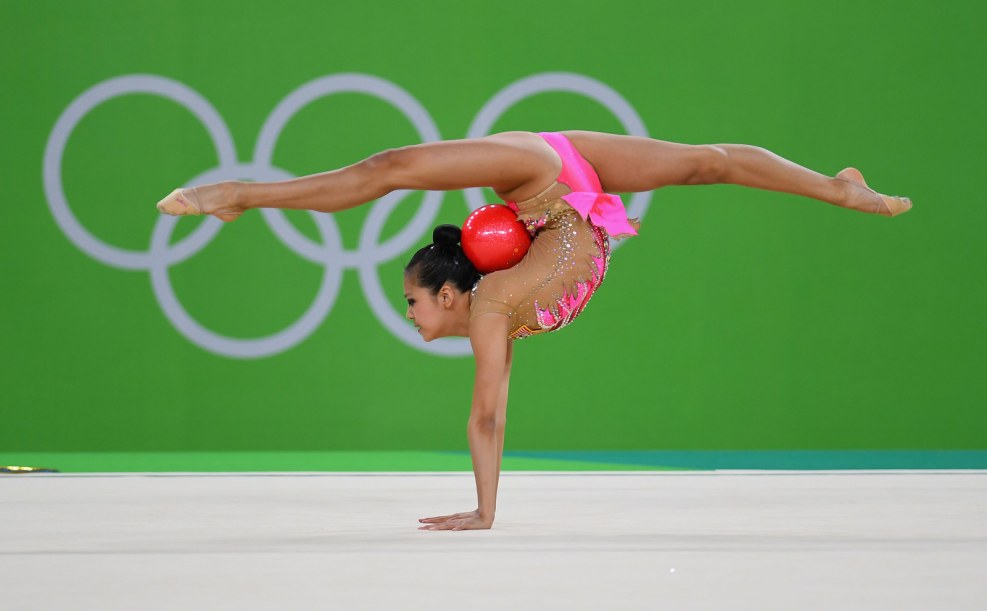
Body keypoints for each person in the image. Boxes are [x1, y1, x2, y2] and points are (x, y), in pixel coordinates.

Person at [156, 130, 912, 531]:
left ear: (449, 293)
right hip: (557, 188)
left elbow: (484, 414)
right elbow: (496, 408)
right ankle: (837, 189)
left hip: (536, 179)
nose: (408, 315)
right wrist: (487, 507)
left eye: (412, 303)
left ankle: (240, 194)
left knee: (389, 167)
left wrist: (485, 511)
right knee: (705, 163)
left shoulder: (490, 309)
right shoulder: (495, 306)